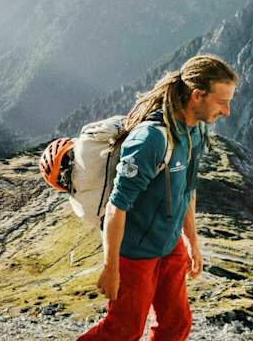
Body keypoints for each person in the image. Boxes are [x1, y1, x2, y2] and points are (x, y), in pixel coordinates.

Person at [78, 55, 238, 341]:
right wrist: (111, 268)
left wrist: (192, 242)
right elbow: (117, 206)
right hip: (135, 254)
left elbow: (187, 190)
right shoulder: (151, 140)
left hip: (170, 245)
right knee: (124, 331)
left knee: (176, 325)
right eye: (221, 101)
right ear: (197, 95)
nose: (227, 111)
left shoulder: (195, 131)